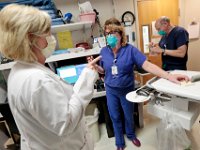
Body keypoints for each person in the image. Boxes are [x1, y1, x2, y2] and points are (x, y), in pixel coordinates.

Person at [0, 4, 101, 150]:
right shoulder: (36, 81)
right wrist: (88, 79)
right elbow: (66, 123)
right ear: (30, 39)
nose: (50, 39)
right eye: (45, 34)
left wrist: (86, 74)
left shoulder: (20, 70)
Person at [87, 18, 189, 150]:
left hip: (127, 90)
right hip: (111, 90)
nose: (109, 37)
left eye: (113, 33)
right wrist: (96, 67)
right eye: (107, 34)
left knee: (128, 115)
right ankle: (119, 142)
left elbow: (147, 65)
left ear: (120, 34)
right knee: (115, 116)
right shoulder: (104, 51)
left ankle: (131, 135)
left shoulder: (130, 50)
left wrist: (169, 76)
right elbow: (103, 70)